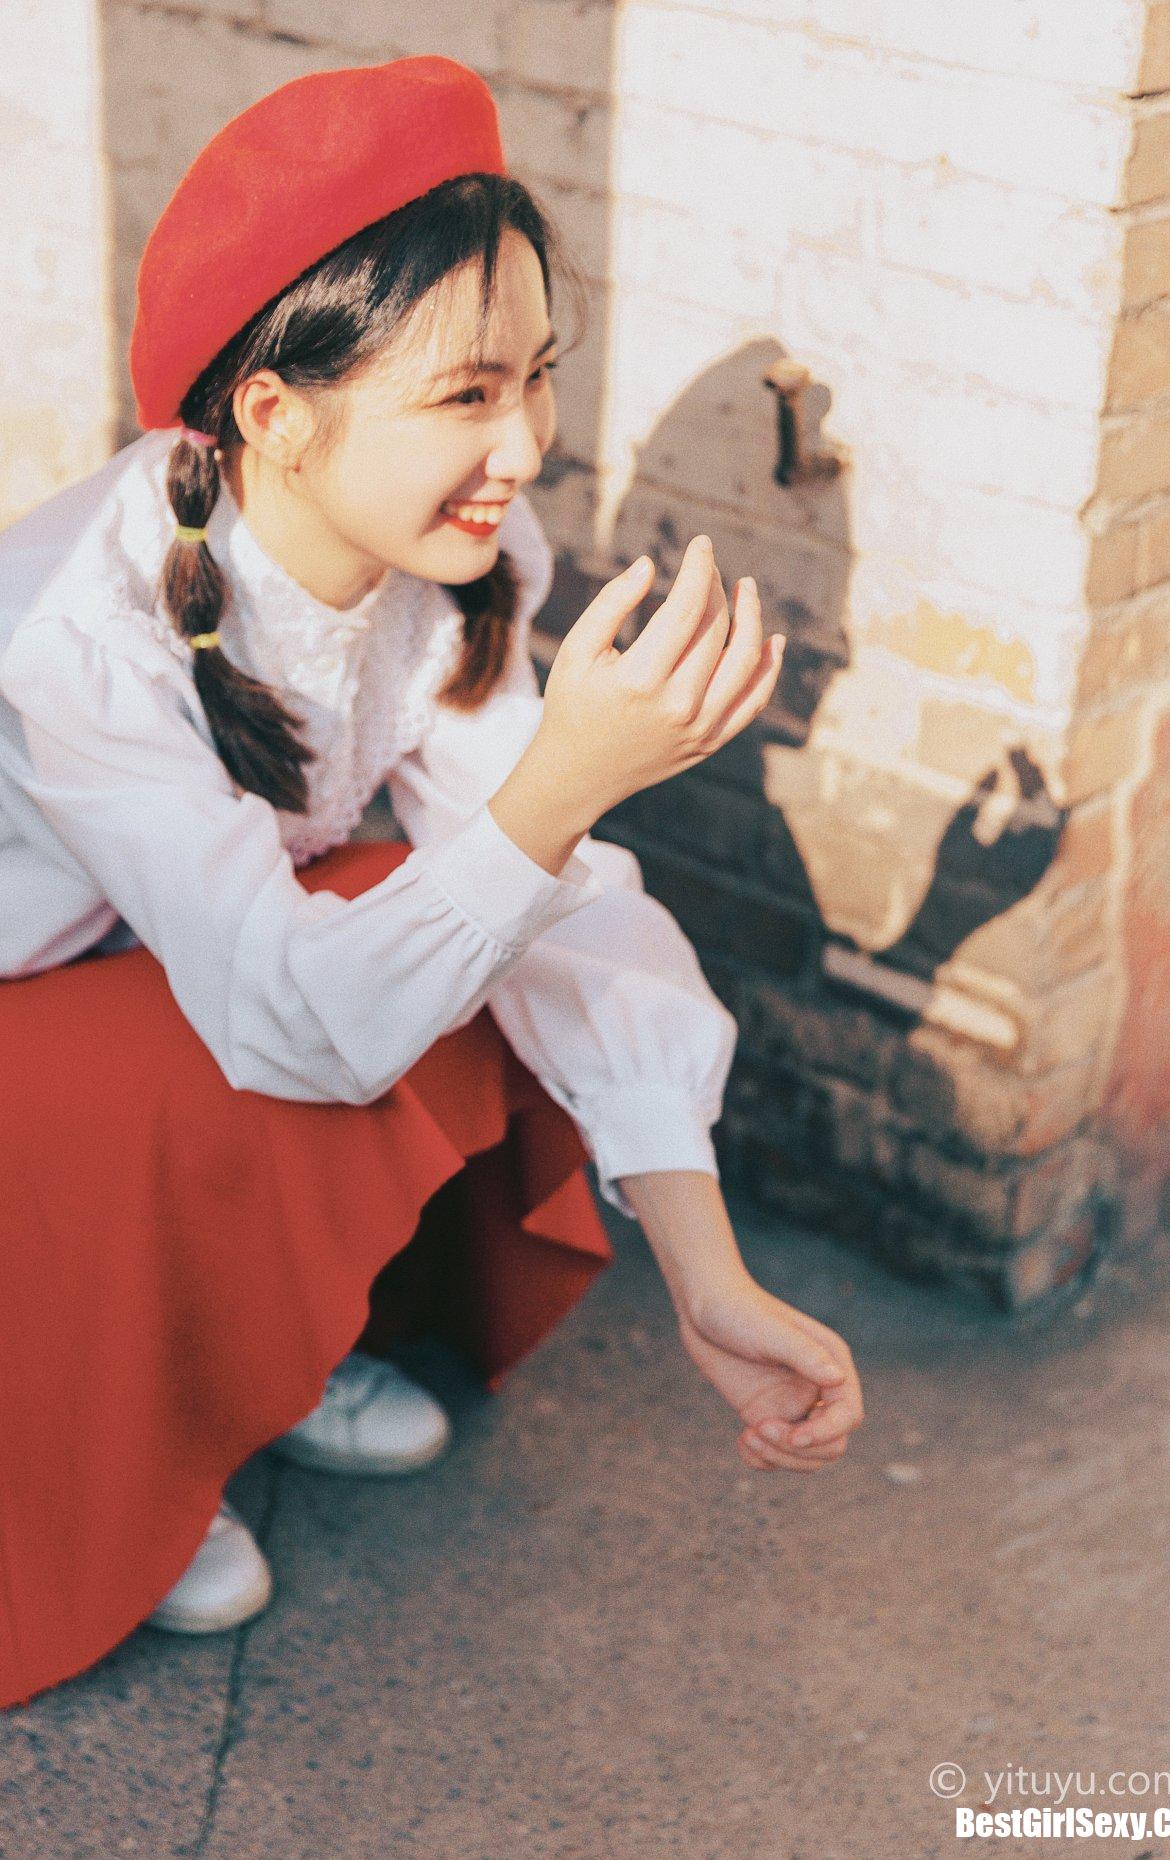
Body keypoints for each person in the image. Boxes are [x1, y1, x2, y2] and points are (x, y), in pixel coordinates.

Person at [0, 55, 863, 1710]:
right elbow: (285, 1023)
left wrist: (711, 1275)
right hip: (31, 1016)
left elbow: (568, 904)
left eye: (538, 379)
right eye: (467, 395)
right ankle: (119, 1454)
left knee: (456, 914)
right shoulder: (80, 634)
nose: (525, 446)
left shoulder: (454, 569)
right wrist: (562, 782)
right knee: (351, 969)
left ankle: (253, 1366)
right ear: (275, 413)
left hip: (181, 986)